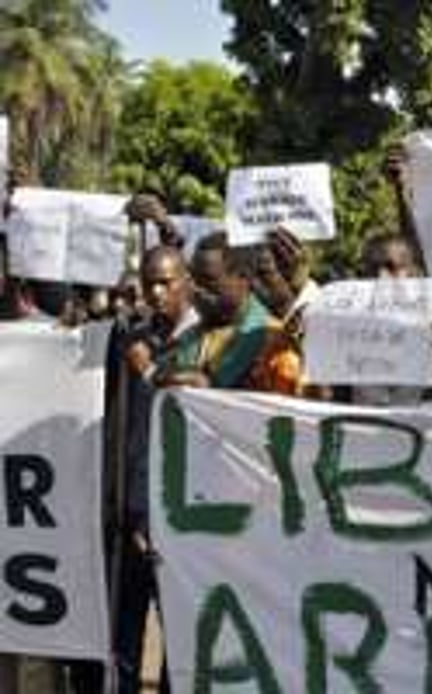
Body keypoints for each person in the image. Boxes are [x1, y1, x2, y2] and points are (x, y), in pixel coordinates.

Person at [113, 245, 197, 693]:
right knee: (125, 640)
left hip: (182, 520)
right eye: (150, 284)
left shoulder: (206, 342)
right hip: (132, 515)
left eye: (166, 281)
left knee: (179, 641)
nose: (158, 292)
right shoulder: (132, 340)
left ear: (186, 281)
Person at [154, 232, 301, 394]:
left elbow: (285, 414)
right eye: (194, 280)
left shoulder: (275, 345)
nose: (196, 289)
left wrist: (211, 390)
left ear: (243, 278)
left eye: (208, 280)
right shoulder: (189, 337)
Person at [342, 232, 432, 405]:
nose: (381, 278)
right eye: (372, 269)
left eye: (392, 268)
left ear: (414, 274)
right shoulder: (343, 337)